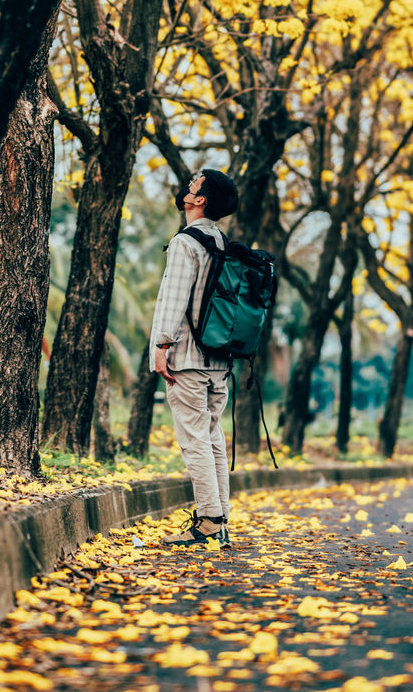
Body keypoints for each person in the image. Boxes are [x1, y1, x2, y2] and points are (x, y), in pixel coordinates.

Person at [150, 168, 239, 547]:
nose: (188, 187)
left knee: (195, 440)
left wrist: (161, 346)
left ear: (199, 200)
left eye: (194, 184)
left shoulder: (187, 242)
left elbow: (174, 298)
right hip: (218, 360)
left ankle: (208, 521)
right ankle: (220, 520)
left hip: (186, 356)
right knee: (213, 437)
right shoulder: (221, 242)